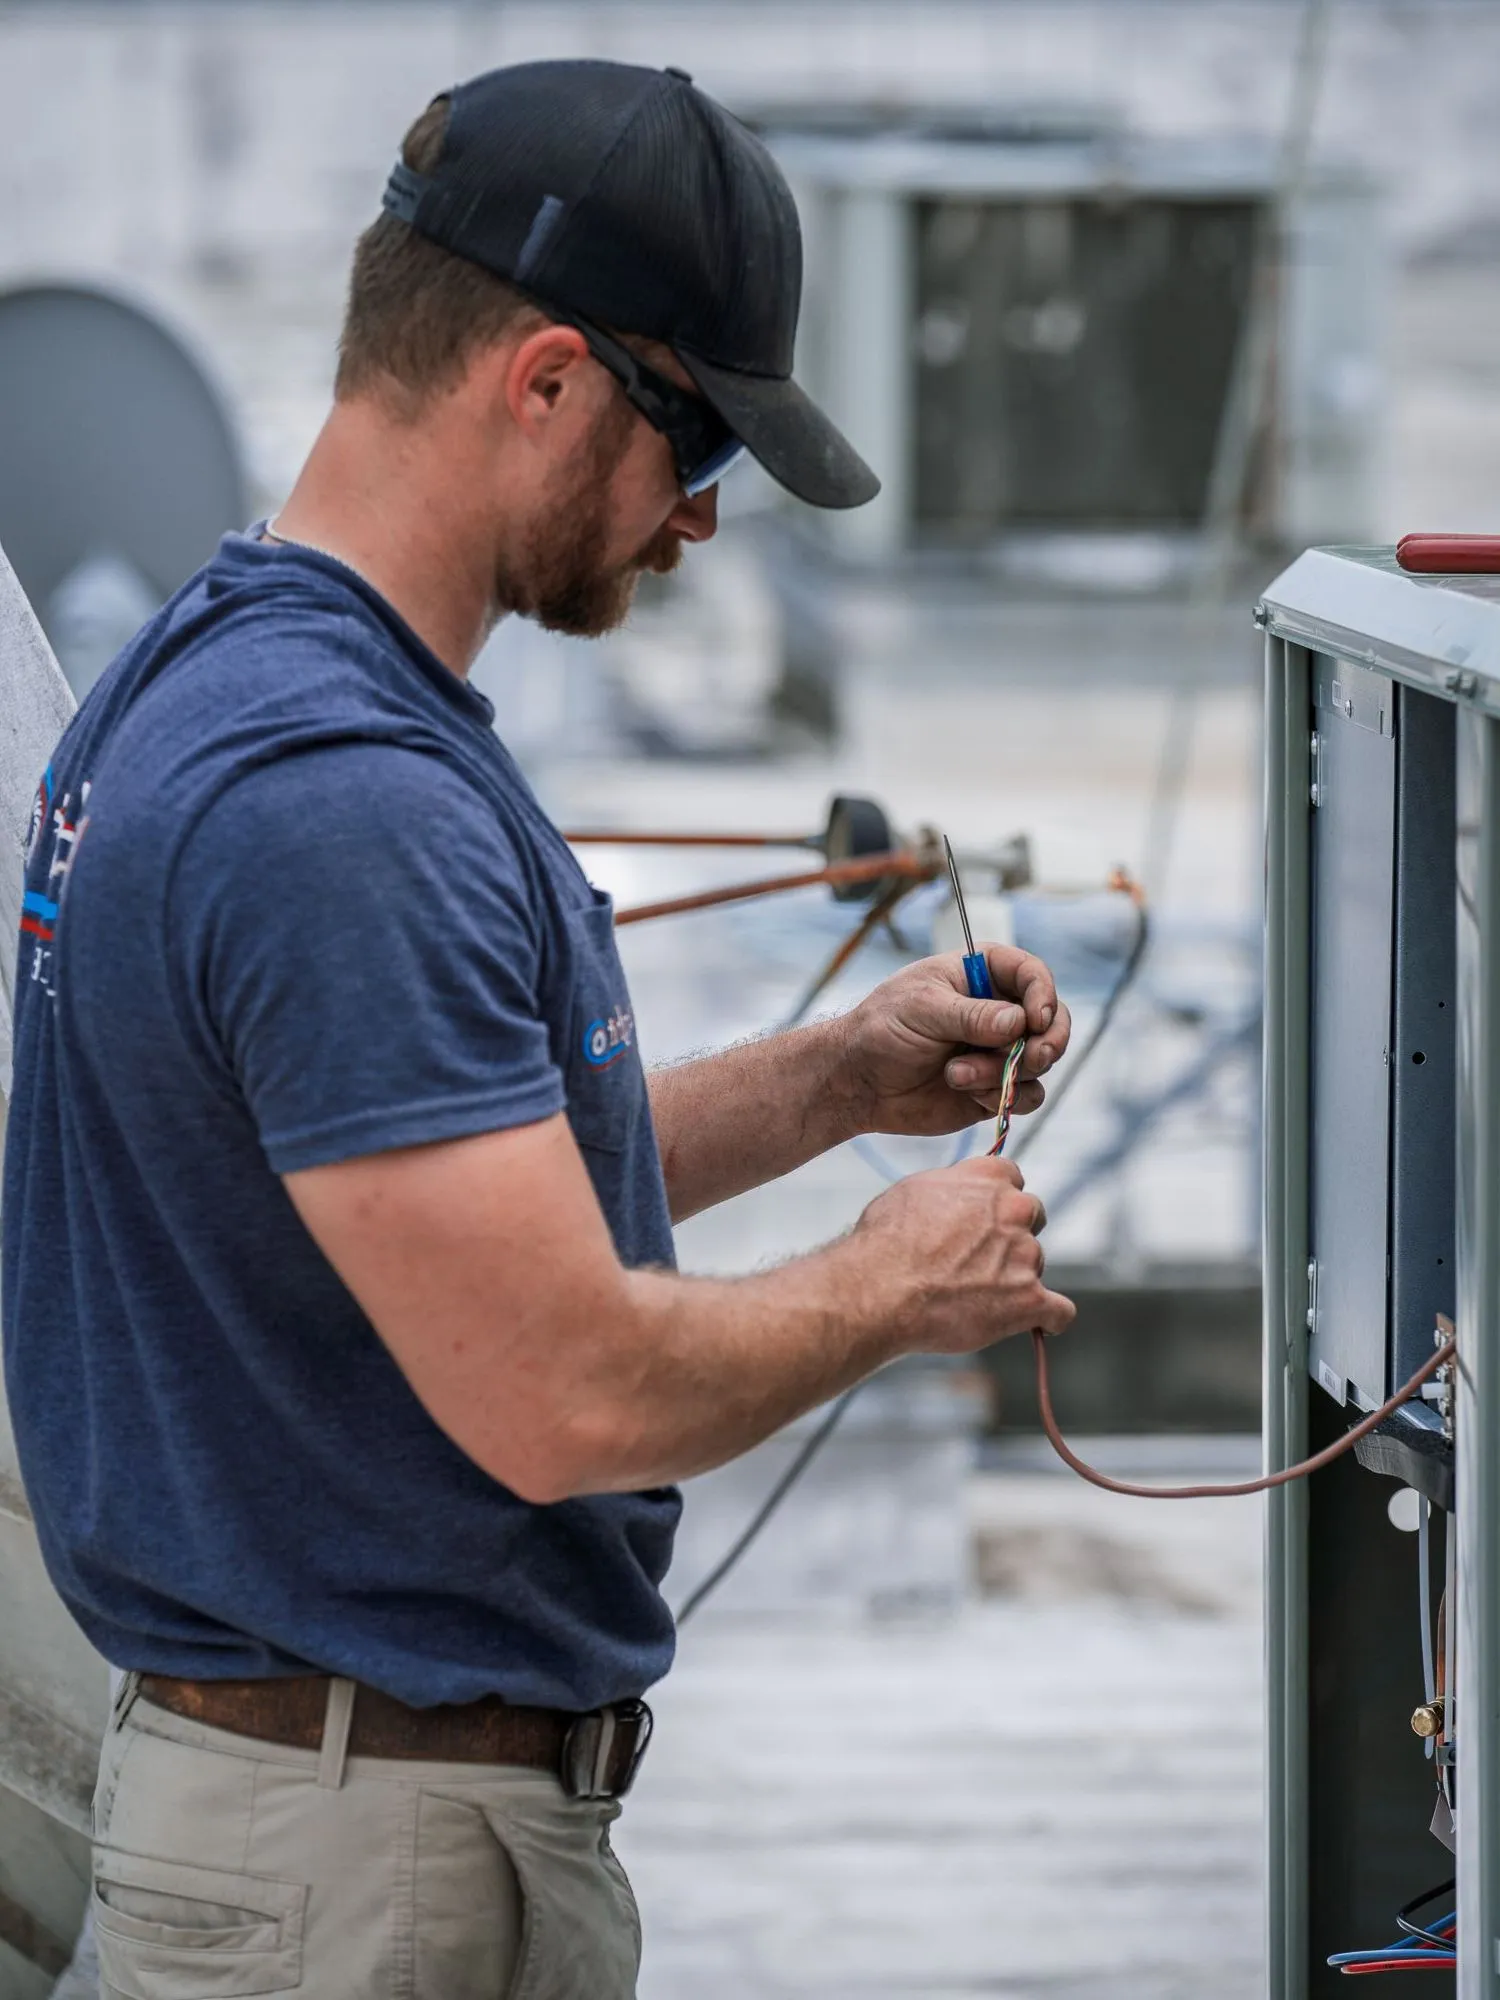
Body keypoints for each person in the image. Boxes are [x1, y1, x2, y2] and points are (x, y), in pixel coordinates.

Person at [2, 59, 1075, 2000]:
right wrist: (891, 1281)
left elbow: (409, 1196)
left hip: (332, 1837)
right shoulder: (338, 799)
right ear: (554, 380)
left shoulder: (217, 676)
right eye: (700, 448)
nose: (703, 526)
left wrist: (835, 1080)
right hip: (354, 1876)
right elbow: (558, 1383)